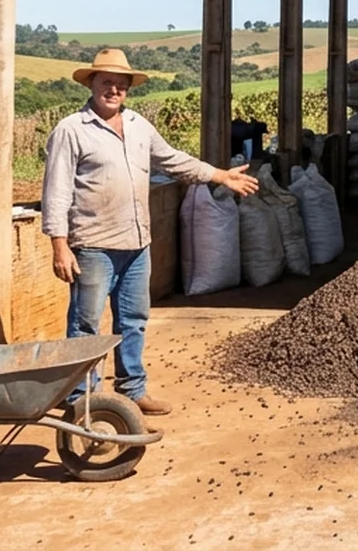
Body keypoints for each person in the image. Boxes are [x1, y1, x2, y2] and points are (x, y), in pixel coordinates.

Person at [42, 48, 258, 418]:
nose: (113, 90)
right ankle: (83, 399)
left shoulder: (139, 126)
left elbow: (173, 160)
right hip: (93, 244)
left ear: (128, 89)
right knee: (86, 324)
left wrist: (220, 175)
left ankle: (133, 389)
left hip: (137, 243)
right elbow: (57, 191)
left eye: (121, 85)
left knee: (133, 319)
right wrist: (60, 245)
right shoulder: (71, 130)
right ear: (91, 83)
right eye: (106, 82)